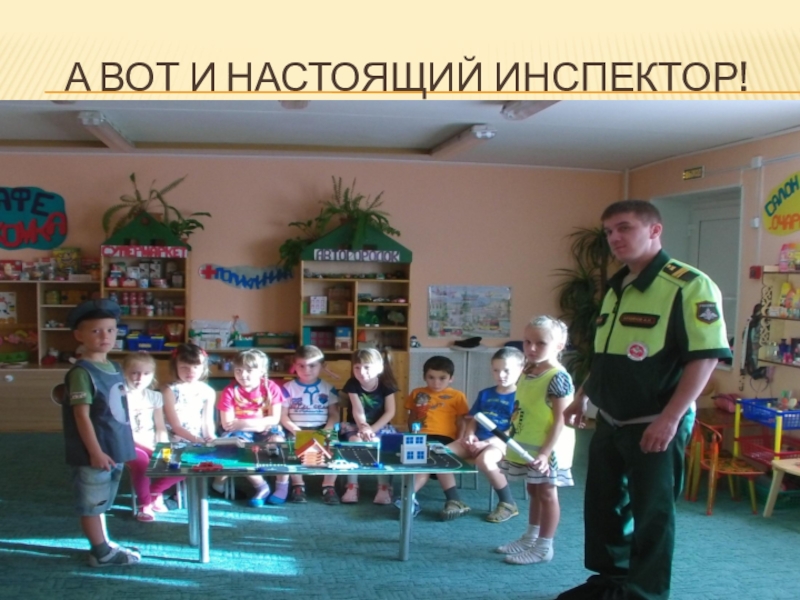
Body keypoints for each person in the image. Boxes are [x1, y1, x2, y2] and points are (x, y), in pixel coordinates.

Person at [557, 200, 731, 600]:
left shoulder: (689, 285)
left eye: (624, 228)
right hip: (610, 418)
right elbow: (605, 353)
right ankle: (611, 581)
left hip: (654, 421)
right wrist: (582, 396)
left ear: (654, 230)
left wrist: (669, 419)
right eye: (609, 232)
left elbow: (705, 358)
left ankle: (644, 594)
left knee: (652, 514)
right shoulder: (618, 285)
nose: (614, 238)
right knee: (604, 506)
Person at [61, 298, 140, 566]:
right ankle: (101, 552)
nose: (105, 336)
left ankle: (103, 543)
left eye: (110, 330)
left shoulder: (115, 367)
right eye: (95, 331)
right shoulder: (82, 372)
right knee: (92, 503)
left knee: (104, 500)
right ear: (79, 335)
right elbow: (81, 415)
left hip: (114, 447)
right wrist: (95, 452)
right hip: (94, 452)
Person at [497, 316, 575, 565]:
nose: (531, 348)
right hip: (526, 445)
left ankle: (544, 547)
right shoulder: (529, 370)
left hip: (548, 450)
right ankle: (531, 537)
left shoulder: (557, 377)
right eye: (527, 341)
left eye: (540, 343)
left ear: (559, 346)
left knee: (547, 493)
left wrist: (545, 452)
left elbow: (561, 419)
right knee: (533, 490)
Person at [449, 346, 526, 523]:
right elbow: (474, 419)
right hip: (477, 439)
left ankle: (508, 503)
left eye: (506, 370)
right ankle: (453, 500)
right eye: (496, 370)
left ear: (520, 369)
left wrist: (486, 443)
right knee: (442, 455)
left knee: (484, 460)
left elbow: (514, 429)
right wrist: (469, 435)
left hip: (502, 442)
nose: (501, 375)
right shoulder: (485, 393)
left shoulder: (521, 397)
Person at [214, 349, 290, 506]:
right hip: (240, 432)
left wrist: (244, 423)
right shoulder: (230, 391)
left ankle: (282, 485)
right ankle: (261, 487)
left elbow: (274, 419)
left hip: (263, 429)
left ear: (262, 371)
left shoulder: (271, 388)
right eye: (238, 370)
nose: (243, 375)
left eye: (249, 370)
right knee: (237, 447)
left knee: (278, 442)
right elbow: (227, 424)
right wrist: (259, 423)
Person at [399, 356, 471, 520]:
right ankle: (451, 500)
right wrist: (412, 435)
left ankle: (407, 498)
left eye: (442, 378)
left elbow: (461, 421)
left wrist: (458, 440)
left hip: (445, 438)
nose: (436, 382)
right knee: (423, 462)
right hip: (421, 436)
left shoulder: (457, 396)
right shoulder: (417, 393)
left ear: (451, 378)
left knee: (434, 457)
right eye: (431, 377)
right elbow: (412, 416)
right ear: (424, 377)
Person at [122, 352, 184, 522]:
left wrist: (164, 448)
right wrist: (150, 449)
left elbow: (160, 427)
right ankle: (145, 505)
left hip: (151, 443)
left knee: (183, 464)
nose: (140, 378)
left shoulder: (155, 397)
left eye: (146, 373)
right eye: (134, 372)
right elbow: (123, 432)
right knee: (143, 464)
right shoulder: (120, 397)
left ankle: (154, 492)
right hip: (129, 445)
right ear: (125, 373)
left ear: (153, 375)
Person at [281, 345, 341, 504]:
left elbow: (334, 414)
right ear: (294, 366)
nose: (306, 370)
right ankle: (298, 485)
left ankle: (328, 486)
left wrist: (327, 430)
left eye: (312, 365)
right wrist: (296, 431)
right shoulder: (288, 388)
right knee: (289, 447)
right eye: (301, 366)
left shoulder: (328, 388)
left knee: (334, 446)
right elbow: (283, 416)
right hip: (296, 428)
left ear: (322, 366)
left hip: (322, 428)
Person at [340, 348, 397, 504]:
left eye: (367, 367)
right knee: (355, 441)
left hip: (381, 426)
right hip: (356, 425)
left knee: (377, 443)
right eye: (357, 367)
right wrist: (363, 427)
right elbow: (357, 410)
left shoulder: (386, 385)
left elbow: (390, 412)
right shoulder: (352, 384)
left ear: (379, 368)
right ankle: (352, 485)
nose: (361, 372)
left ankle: (383, 486)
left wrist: (371, 430)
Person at [162, 343, 217, 445]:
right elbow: (176, 427)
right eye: (184, 367)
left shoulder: (208, 392)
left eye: (196, 367)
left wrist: (210, 437)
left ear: (203, 367)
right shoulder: (170, 391)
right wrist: (195, 439)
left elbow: (207, 422)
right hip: (176, 439)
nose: (190, 371)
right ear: (175, 367)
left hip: (199, 439)